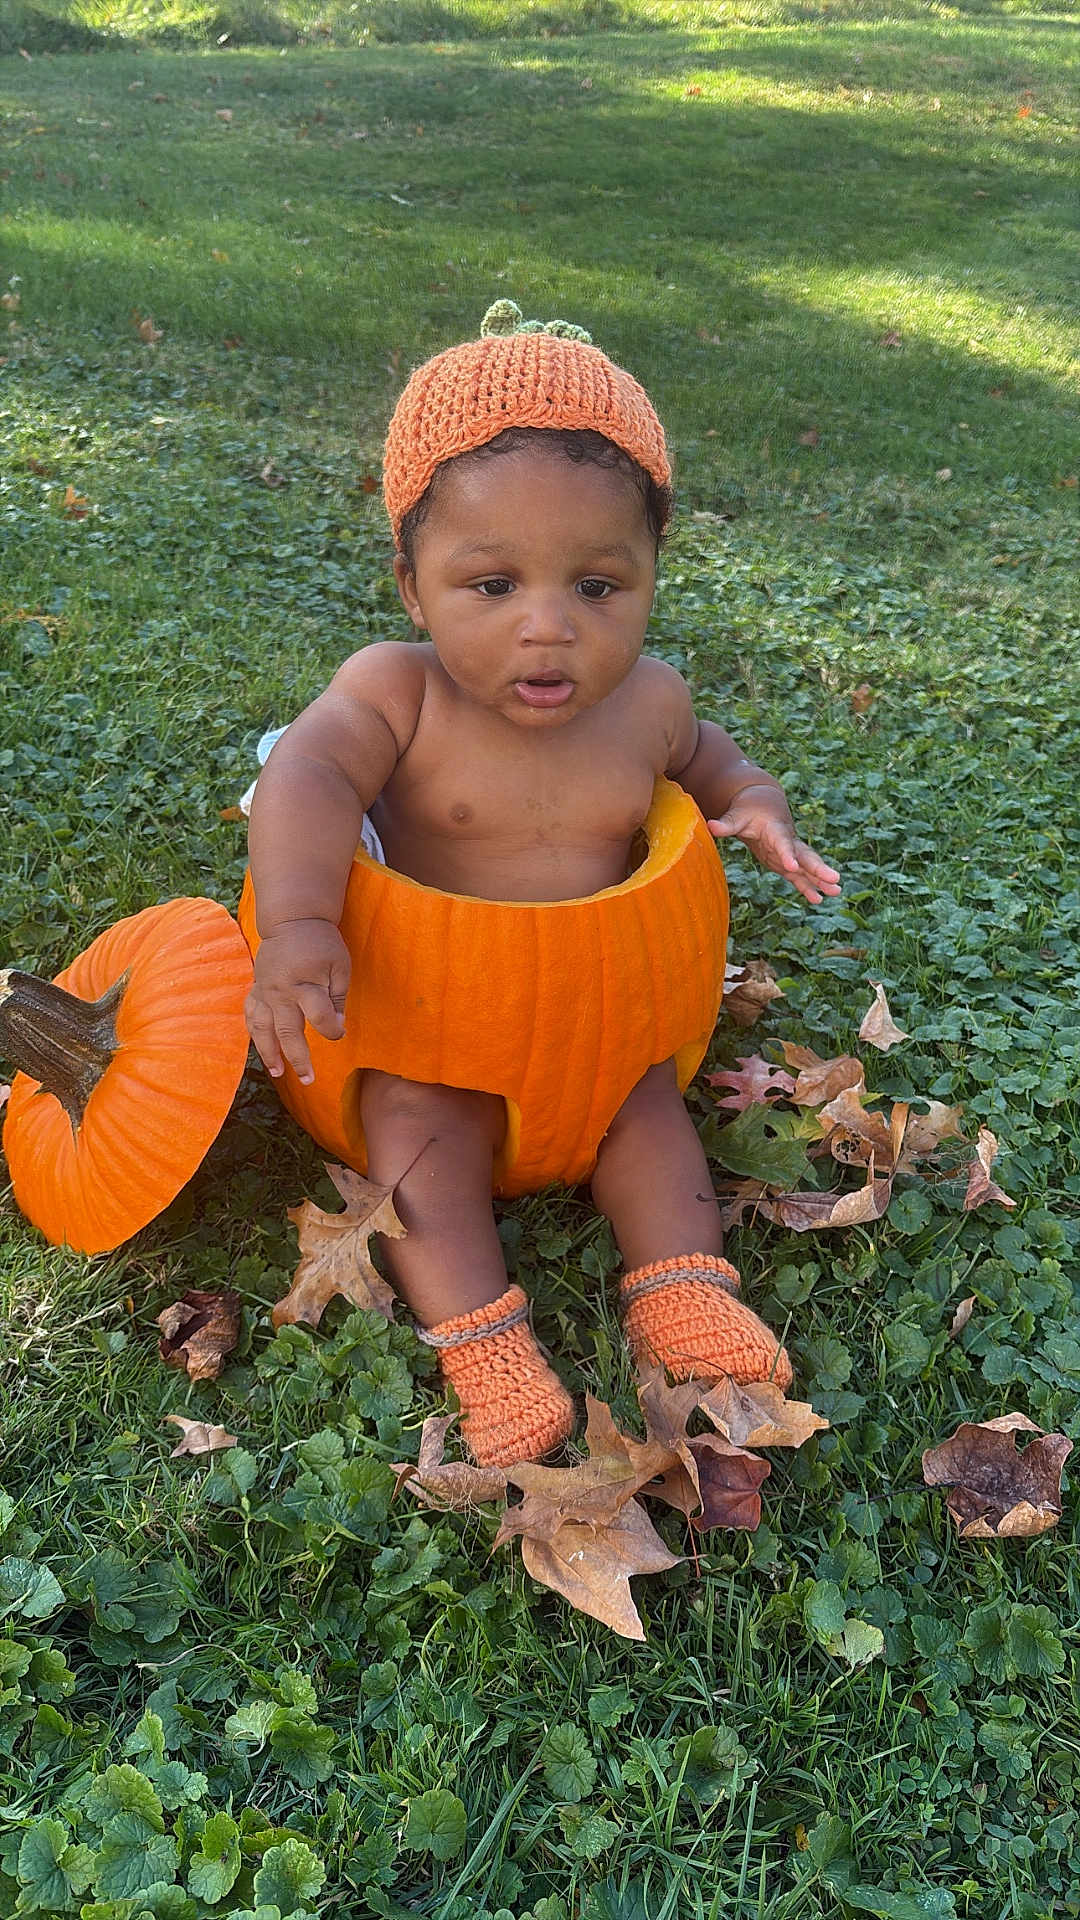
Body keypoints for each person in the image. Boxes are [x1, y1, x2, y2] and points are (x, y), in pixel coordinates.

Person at [244, 301, 840, 1467]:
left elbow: (715, 759)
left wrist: (758, 804)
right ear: (414, 587)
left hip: (603, 1028)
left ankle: (679, 1286)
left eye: (598, 588)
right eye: (493, 585)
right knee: (414, 1143)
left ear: (653, 576)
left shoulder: (650, 706)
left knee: (649, 1117)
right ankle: (483, 1343)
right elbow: (306, 777)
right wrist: (303, 920)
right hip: (429, 1031)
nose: (548, 628)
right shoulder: (394, 693)